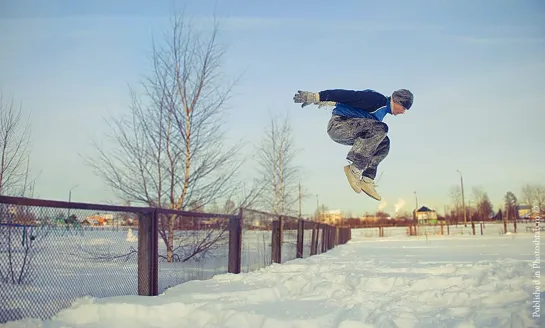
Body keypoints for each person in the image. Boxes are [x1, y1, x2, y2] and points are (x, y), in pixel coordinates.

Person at [293, 88, 413, 201]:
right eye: (403, 108)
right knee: (381, 129)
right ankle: (355, 169)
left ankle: (367, 180)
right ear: (397, 101)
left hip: (350, 128)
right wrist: (317, 96)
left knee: (384, 143)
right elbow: (350, 96)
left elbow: (354, 107)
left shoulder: (383, 110)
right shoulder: (377, 100)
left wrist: (332, 103)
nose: (403, 112)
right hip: (339, 125)